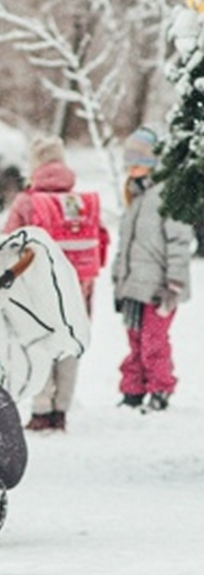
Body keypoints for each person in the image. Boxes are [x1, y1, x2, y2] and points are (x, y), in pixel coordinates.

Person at [3, 134, 109, 432]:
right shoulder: (80, 201)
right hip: (80, 287)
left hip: (40, 290)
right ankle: (61, 410)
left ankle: (40, 410)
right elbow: (102, 240)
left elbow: (8, 242)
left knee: (39, 344)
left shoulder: (27, 201)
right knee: (69, 345)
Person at [112, 128, 193, 412]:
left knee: (153, 341)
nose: (133, 168)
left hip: (159, 287)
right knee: (135, 340)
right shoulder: (135, 197)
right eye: (130, 162)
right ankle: (133, 390)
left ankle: (160, 388)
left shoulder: (166, 196)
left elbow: (179, 241)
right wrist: (117, 277)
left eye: (141, 162)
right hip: (133, 284)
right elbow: (125, 243)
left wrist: (174, 284)